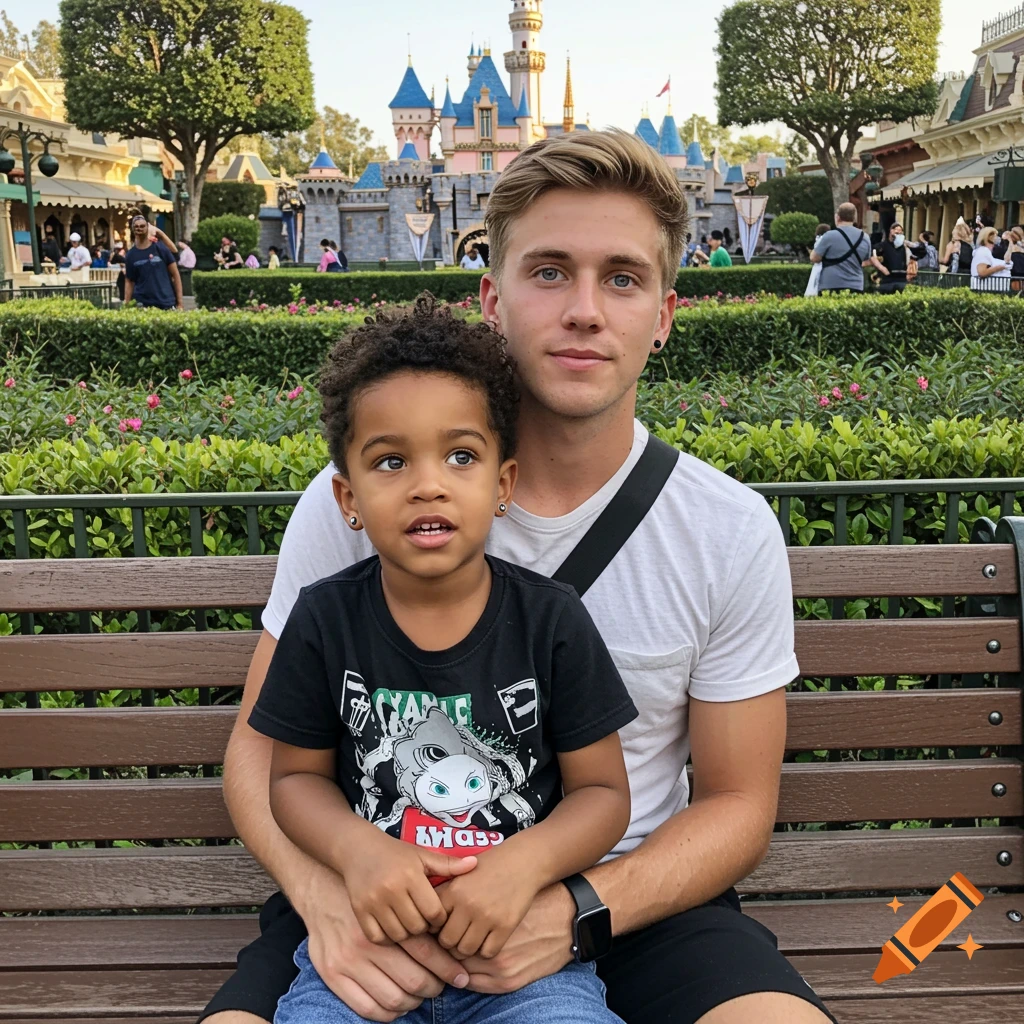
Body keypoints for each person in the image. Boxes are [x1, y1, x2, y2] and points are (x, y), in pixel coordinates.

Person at [201, 129, 834, 1024]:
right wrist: (325, 896)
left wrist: (575, 913)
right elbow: (259, 758)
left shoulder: (725, 529)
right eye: (548, 272)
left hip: (635, 906)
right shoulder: (357, 505)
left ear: (663, 313)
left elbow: (736, 804)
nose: (585, 309)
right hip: (373, 897)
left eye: (622, 277)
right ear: (492, 299)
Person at [252, 298, 637, 1024]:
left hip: (519, 962)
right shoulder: (323, 620)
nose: (428, 483)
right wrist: (359, 851)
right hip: (366, 955)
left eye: (460, 455)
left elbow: (604, 796)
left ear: (502, 484)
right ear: (349, 498)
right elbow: (293, 780)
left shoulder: (549, 620)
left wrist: (526, 865)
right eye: (391, 460)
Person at [123, 213, 183, 310]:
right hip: (143, 305)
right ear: (133, 230)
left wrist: (180, 303)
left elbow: (175, 274)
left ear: (148, 227)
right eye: (136, 226)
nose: (139, 228)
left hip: (166, 302)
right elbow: (129, 281)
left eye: (142, 226)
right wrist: (127, 304)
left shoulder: (161, 248)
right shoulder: (130, 255)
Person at [809, 202, 871, 294]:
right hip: (856, 285)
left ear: (837, 217)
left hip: (830, 284)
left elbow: (814, 258)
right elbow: (866, 259)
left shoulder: (829, 236)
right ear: (854, 218)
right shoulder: (864, 237)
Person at [869, 222, 915, 294]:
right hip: (887, 280)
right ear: (891, 230)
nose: (898, 232)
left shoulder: (905, 247)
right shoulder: (882, 246)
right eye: (896, 230)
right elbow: (873, 256)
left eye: (900, 231)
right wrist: (881, 268)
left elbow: (917, 251)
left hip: (902, 279)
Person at [970, 225, 1012, 292]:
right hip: (983, 291)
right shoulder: (983, 251)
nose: (997, 238)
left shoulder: (987, 252)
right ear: (988, 237)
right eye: (995, 235)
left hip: (986, 290)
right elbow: (982, 272)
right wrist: (998, 268)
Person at [804, 224, 830, 297]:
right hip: (823, 264)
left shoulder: (817, 239)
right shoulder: (824, 239)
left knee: (814, 283)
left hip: (816, 266)